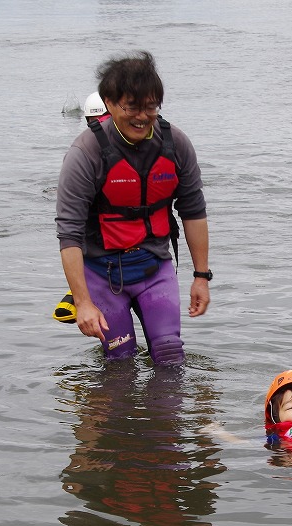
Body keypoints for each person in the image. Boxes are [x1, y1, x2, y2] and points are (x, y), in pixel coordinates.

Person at [55, 50, 211, 365]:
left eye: (150, 107)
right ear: (109, 103)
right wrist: (83, 302)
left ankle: (169, 415)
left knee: (170, 356)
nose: (142, 116)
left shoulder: (176, 145)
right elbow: (69, 233)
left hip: (154, 267)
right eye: (132, 107)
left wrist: (201, 276)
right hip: (101, 273)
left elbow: (193, 210)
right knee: (120, 359)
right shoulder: (85, 153)